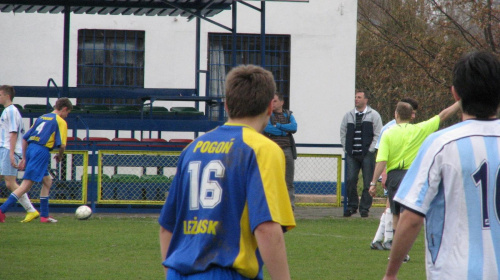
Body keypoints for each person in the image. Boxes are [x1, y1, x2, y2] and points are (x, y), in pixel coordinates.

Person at [158, 65, 296, 280]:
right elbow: (266, 228)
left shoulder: (192, 148)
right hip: (226, 273)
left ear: (226, 105)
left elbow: (167, 228)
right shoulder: (263, 149)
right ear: (270, 107)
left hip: (179, 273)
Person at [382, 51, 500, 279]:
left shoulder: (441, 144)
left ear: (455, 93)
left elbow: (412, 217)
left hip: (454, 271)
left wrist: (390, 274)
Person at [369, 96, 460, 261]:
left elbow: (381, 160)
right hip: (412, 175)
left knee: (395, 214)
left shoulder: (388, 133)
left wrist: (372, 182)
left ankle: (395, 252)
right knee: (408, 214)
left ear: (396, 114)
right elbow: (443, 115)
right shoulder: (419, 129)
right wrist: (460, 103)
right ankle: (405, 251)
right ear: (411, 115)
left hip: (395, 176)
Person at [0, 97, 72, 223]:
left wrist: (24, 157)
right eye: (68, 113)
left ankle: (44, 216)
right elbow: (62, 145)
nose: (67, 116)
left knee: (47, 181)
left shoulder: (42, 117)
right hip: (42, 151)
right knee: (26, 185)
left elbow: (25, 138)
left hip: (31, 148)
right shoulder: (60, 121)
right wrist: (60, 156)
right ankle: (2, 210)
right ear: (64, 109)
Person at [370, 98, 418, 250]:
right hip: (393, 174)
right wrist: (383, 174)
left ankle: (381, 239)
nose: (414, 116)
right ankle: (387, 240)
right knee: (393, 208)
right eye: (413, 113)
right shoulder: (389, 129)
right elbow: (382, 153)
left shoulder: (411, 129)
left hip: (402, 174)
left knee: (391, 207)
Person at [0, 85, 39, 223]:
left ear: (7, 96)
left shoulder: (10, 111)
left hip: (7, 149)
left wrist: (11, 153)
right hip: (4, 149)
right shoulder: (9, 111)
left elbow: (13, 133)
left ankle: (31, 210)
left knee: (10, 183)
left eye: (0, 94)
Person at [340, 90, 383, 217]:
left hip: (367, 154)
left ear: (366, 100)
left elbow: (378, 134)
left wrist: (370, 150)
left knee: (368, 181)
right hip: (352, 154)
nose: (356, 99)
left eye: (359, 97)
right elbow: (343, 132)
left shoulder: (374, 115)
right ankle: (352, 206)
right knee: (351, 180)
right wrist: (346, 149)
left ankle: (364, 208)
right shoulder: (348, 115)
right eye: (355, 97)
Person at [264, 92, 297, 210]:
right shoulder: (267, 115)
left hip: (287, 150)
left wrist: (277, 125)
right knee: (272, 180)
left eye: (275, 101)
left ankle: (289, 208)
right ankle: (272, 207)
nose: (272, 103)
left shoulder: (289, 115)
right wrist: (284, 131)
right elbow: (268, 129)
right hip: (272, 151)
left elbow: (294, 127)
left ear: (282, 102)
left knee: (288, 181)